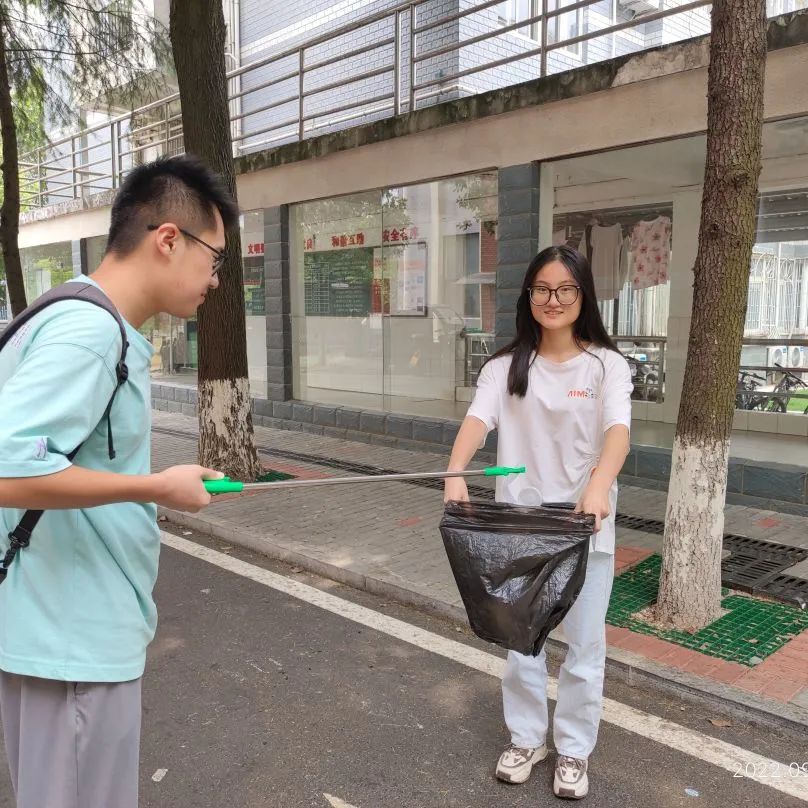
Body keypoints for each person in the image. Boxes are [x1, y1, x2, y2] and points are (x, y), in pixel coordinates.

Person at [0, 155, 234, 808]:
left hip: (53, 630)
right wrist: (157, 487)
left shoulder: (67, 311)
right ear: (168, 240)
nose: (216, 279)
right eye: (215, 257)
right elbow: (6, 465)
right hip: (72, 638)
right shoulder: (91, 332)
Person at [444, 245, 632, 800]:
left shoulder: (606, 365)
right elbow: (478, 419)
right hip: (519, 531)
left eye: (565, 289)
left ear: (583, 295)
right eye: (543, 289)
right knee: (521, 641)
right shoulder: (504, 367)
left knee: (584, 645)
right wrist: (456, 470)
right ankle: (527, 738)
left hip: (583, 529)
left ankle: (573, 748)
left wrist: (598, 484)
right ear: (528, 296)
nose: (554, 299)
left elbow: (618, 432)